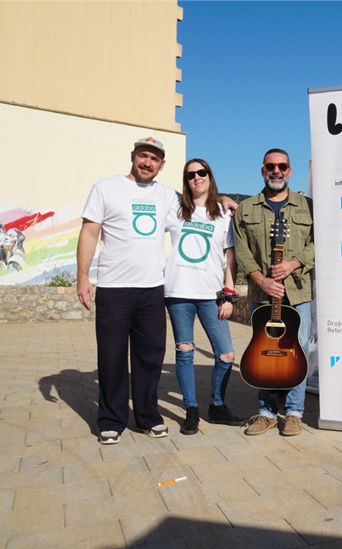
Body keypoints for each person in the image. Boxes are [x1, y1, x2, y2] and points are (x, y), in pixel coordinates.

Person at [77, 137, 237, 445]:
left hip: (152, 288)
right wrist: (83, 277)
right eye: (143, 155)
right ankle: (111, 420)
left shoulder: (168, 196)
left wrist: (225, 198)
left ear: (162, 165)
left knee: (150, 357)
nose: (147, 162)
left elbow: (200, 198)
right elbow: (89, 232)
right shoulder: (105, 188)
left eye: (155, 158)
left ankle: (148, 416)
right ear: (133, 156)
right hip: (113, 287)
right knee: (111, 358)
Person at [232, 148, 314, 437]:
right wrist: (261, 280)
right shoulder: (247, 209)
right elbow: (242, 251)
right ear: (263, 170)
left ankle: (294, 412)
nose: (276, 171)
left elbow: (319, 243)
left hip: (298, 293)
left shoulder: (308, 207)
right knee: (264, 352)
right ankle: (266, 412)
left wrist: (295, 262)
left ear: (290, 171)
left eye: (282, 166)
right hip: (263, 295)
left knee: (297, 350)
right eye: (270, 166)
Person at [165, 159, 245, 435]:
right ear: (185, 180)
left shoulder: (223, 215)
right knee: (184, 352)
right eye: (190, 175)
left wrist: (229, 294)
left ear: (210, 176)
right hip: (177, 293)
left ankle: (217, 405)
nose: (196, 177)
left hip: (211, 295)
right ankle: (191, 410)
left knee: (226, 354)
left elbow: (230, 258)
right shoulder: (174, 209)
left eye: (202, 172)